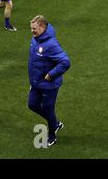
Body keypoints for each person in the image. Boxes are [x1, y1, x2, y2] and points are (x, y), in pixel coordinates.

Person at [27, 15, 70, 147]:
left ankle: (52, 136)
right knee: (32, 105)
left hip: (49, 85)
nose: (32, 31)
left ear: (43, 27)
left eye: (34, 29)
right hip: (36, 83)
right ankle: (55, 123)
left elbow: (65, 62)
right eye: (31, 28)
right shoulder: (35, 39)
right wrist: (32, 81)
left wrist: (51, 74)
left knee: (48, 110)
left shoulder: (51, 44)